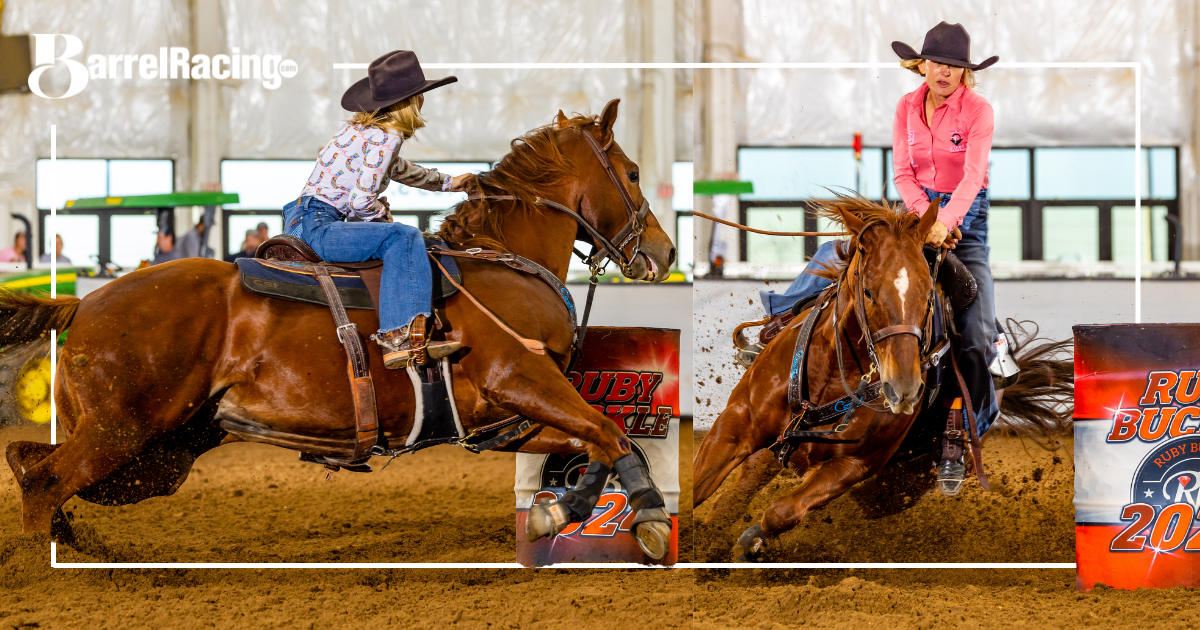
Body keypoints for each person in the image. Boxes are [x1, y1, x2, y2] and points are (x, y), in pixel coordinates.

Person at [758, 22, 1000, 489]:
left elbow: (972, 178)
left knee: (975, 330)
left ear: (965, 72)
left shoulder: (979, 111)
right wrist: (922, 222)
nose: (944, 72)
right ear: (922, 65)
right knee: (841, 254)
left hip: (966, 222)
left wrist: (945, 224)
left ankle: (962, 432)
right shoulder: (906, 107)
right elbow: (902, 173)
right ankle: (780, 319)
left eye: (954, 65)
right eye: (937, 63)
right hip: (914, 212)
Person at [284, 50, 468, 370]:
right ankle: (399, 335)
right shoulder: (389, 135)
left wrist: (451, 183)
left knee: (396, 235)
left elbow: (400, 170)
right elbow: (360, 201)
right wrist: (381, 216)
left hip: (301, 219)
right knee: (403, 237)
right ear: (413, 101)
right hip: (320, 223)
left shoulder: (363, 131)